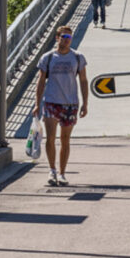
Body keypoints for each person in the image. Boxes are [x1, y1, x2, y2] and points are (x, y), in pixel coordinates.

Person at [34, 25, 88, 186]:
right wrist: (37, 104)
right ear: (57, 38)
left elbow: (83, 81)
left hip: (71, 103)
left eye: (69, 37)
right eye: (64, 37)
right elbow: (40, 81)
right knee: (50, 137)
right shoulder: (48, 57)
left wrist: (85, 103)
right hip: (51, 102)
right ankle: (52, 171)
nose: (66, 40)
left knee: (65, 139)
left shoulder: (78, 57)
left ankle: (62, 173)